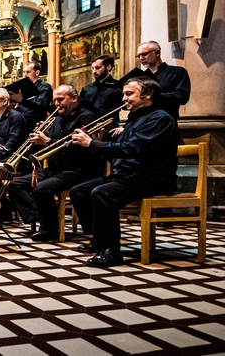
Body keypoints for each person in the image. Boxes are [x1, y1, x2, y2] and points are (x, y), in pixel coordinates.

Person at [69, 77, 179, 267]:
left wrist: (94, 143)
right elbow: (121, 151)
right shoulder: (134, 118)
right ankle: (99, 238)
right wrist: (97, 143)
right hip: (130, 175)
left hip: (153, 177)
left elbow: (134, 149)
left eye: (129, 94)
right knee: (79, 191)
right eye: (124, 94)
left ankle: (111, 252)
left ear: (148, 94)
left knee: (103, 193)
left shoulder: (160, 118)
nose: (124, 99)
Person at [7, 85, 101, 241]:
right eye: (55, 100)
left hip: (77, 170)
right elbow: (51, 144)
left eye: (61, 99)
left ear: (74, 98)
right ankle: (42, 217)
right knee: (15, 185)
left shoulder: (87, 117)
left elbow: (78, 146)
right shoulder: (56, 118)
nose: (57, 103)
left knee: (41, 189)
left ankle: (50, 228)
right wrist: (40, 139)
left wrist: (48, 140)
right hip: (55, 168)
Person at [135, 40, 191, 121]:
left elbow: (182, 96)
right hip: (141, 123)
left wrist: (153, 96)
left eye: (144, 54)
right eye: (139, 56)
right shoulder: (140, 77)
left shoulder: (177, 72)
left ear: (157, 53)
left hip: (166, 122)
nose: (141, 58)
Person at [9, 61, 53, 132]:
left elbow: (40, 106)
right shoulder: (23, 87)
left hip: (35, 123)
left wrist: (22, 101)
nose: (25, 75)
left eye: (28, 72)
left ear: (37, 73)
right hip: (21, 122)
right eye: (24, 72)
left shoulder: (45, 87)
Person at [79, 55, 122, 122]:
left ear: (108, 67)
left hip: (110, 126)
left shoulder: (118, 86)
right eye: (93, 68)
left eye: (97, 68)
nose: (94, 71)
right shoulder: (86, 89)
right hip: (88, 124)